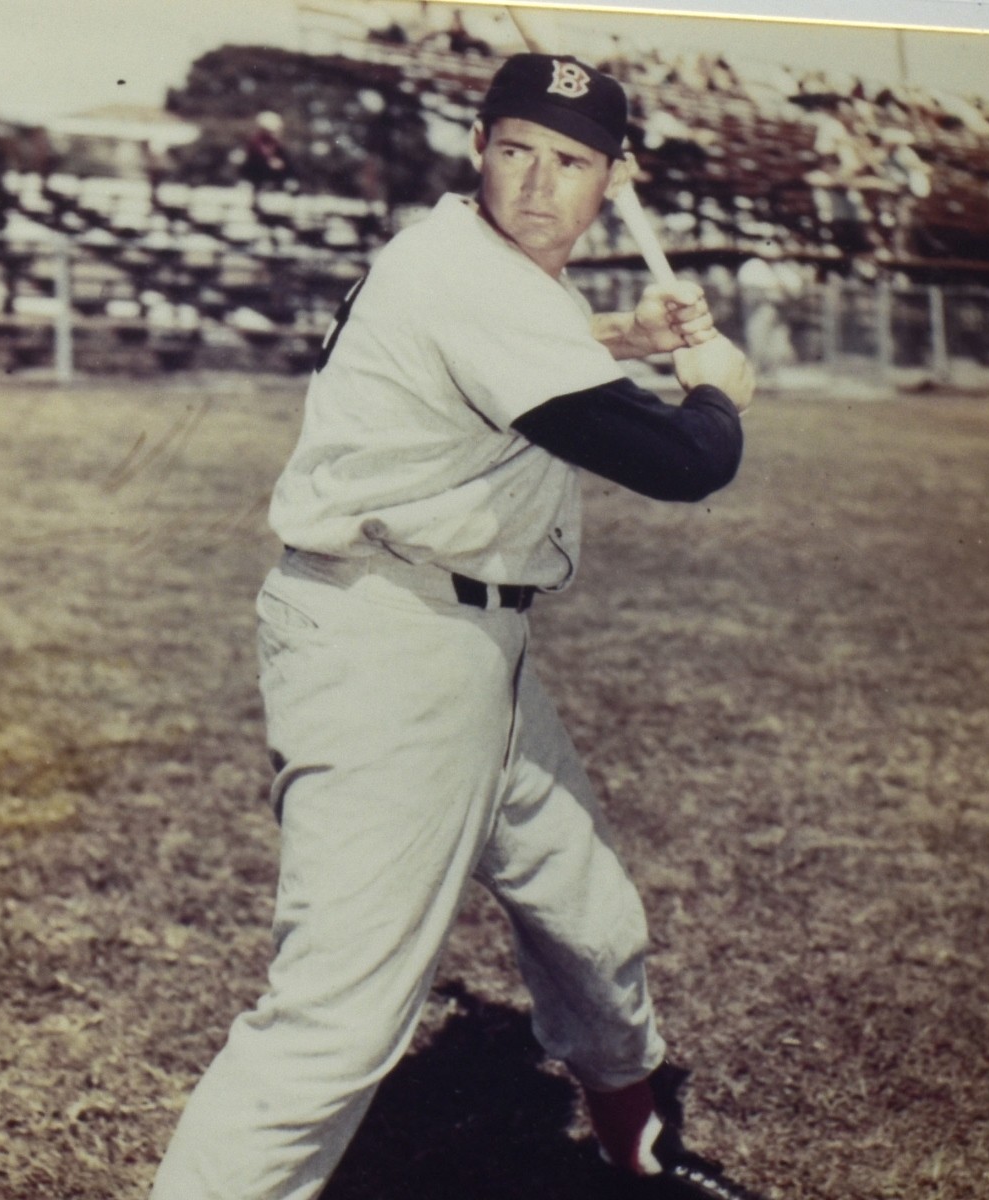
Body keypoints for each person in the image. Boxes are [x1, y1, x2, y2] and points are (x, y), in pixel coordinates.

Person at [152, 53, 763, 1200]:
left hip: (467, 643)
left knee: (589, 918)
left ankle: (641, 1159)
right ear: (476, 146)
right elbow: (682, 463)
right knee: (337, 1018)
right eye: (515, 150)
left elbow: (513, 350)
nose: (536, 184)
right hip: (387, 649)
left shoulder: (477, 263)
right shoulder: (469, 276)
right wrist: (717, 385)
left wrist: (625, 337)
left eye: (571, 162)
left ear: (614, 176)